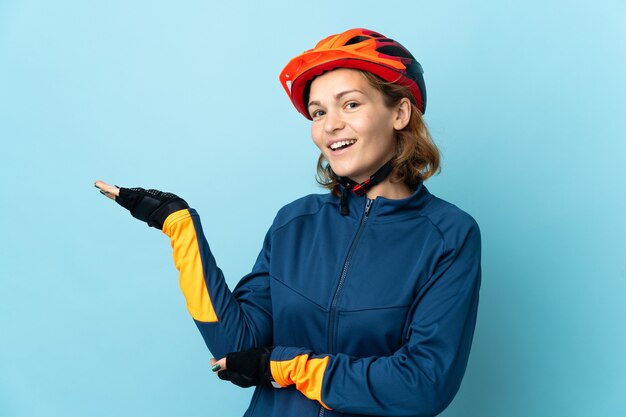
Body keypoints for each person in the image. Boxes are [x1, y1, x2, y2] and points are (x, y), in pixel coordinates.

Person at [95, 28, 481, 417]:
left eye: (350, 105)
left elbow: (423, 385)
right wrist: (180, 227)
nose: (330, 125)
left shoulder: (449, 236)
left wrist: (287, 367)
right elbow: (237, 347)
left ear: (399, 113)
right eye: (318, 112)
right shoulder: (294, 223)